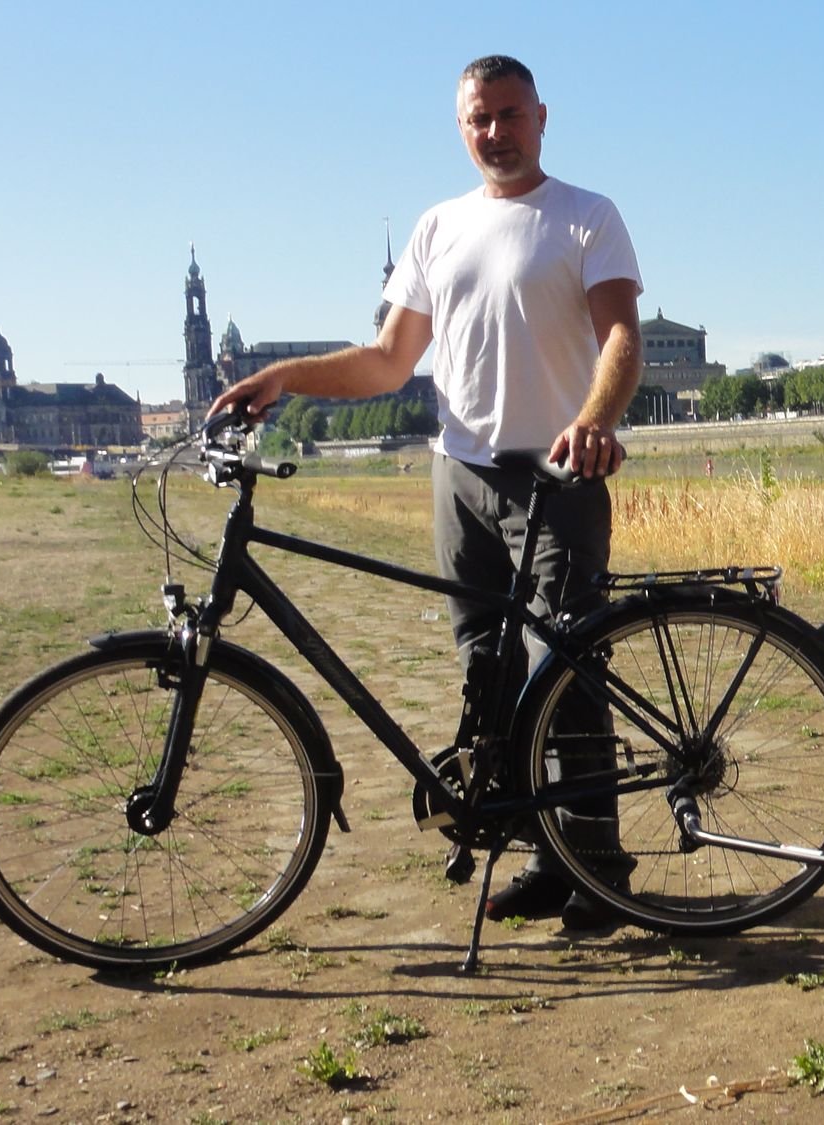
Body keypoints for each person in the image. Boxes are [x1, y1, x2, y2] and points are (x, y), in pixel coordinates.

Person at [209, 54, 642, 928]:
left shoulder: (586, 216)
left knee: (564, 667)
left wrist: (596, 417)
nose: (496, 131)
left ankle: (599, 867)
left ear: (542, 117)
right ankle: (538, 852)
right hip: (461, 475)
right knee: (487, 671)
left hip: (558, 474)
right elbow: (386, 360)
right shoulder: (438, 226)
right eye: (480, 119)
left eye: (510, 114)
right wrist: (285, 375)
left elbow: (622, 335)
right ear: (462, 128)